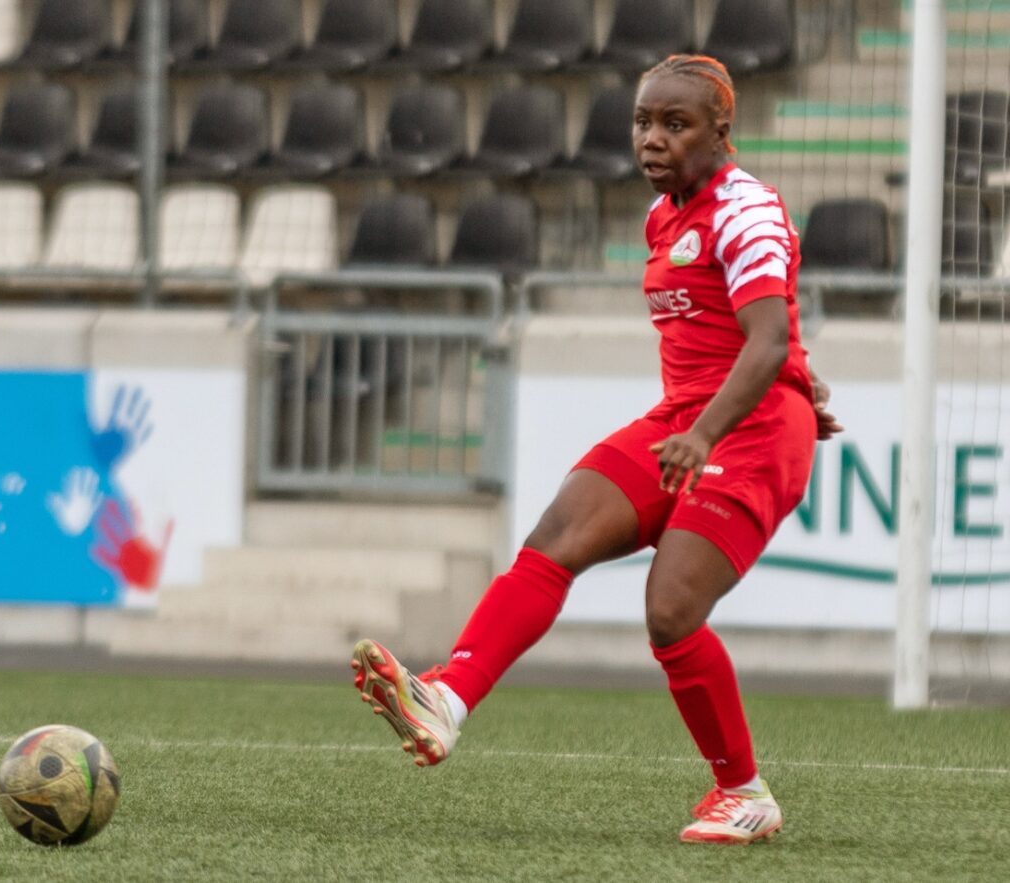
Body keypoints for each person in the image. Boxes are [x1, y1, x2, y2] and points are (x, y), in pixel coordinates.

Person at [351, 54, 843, 845]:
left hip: (744, 431)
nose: (652, 140)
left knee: (671, 610)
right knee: (558, 531)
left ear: (723, 131)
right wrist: (750, 398)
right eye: (644, 123)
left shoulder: (743, 209)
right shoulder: (662, 217)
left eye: (675, 125)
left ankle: (744, 791)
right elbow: (755, 328)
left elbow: (768, 336)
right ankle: (447, 697)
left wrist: (735, 417)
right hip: (685, 417)